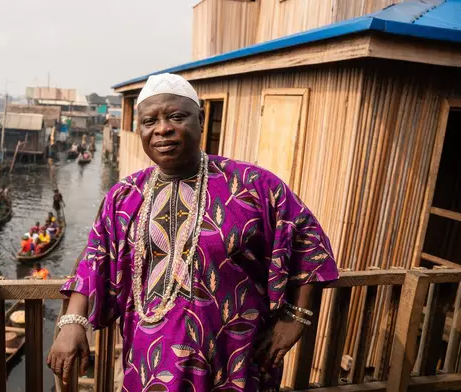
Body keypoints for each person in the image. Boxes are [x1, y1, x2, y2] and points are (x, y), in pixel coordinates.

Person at [47, 73, 339, 390]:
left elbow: (309, 244)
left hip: (235, 363)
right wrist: (72, 322)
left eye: (176, 116)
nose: (162, 128)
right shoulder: (124, 196)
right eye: (149, 121)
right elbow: (94, 258)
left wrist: (296, 318)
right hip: (149, 367)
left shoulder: (253, 186)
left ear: (200, 119)